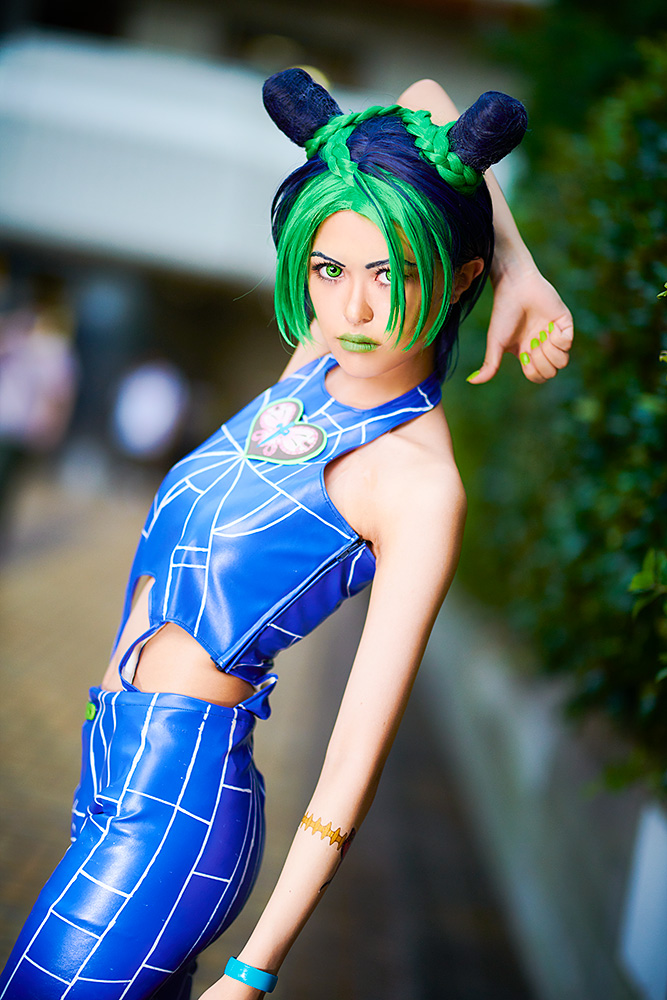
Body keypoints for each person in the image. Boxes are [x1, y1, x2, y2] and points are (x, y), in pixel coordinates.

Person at [0, 71, 572, 1000]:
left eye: (393, 273)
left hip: (177, 811)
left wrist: (253, 970)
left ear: (456, 275)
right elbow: (425, 98)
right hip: (110, 764)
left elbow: (351, 761)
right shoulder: (315, 364)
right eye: (329, 269)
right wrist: (516, 259)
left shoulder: (416, 483)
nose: (354, 310)